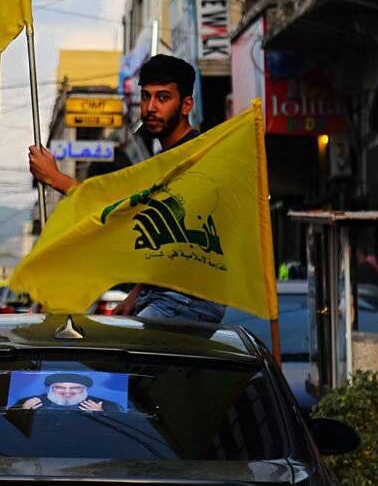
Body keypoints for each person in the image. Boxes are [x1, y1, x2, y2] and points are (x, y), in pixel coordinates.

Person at [28, 54, 225, 324]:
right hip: (163, 295)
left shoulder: (192, 156)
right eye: (146, 97)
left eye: (163, 98)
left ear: (186, 104)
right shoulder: (164, 159)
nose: (151, 107)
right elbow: (165, 245)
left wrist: (56, 179)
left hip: (186, 300)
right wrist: (136, 294)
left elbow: (126, 212)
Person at [14, 373, 122, 412]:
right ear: (51, 388)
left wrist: (103, 415)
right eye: (59, 387)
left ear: (84, 389)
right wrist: (22, 413)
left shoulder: (107, 406)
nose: (67, 392)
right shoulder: (27, 403)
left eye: (75, 388)